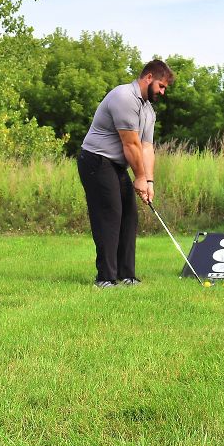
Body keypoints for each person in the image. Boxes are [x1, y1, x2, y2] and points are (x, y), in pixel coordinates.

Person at [77, 59, 175, 288]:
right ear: (148, 77)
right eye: (161, 86)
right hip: (96, 160)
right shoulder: (123, 97)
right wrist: (139, 177)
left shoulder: (148, 110)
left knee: (129, 215)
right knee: (109, 215)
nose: (162, 92)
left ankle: (127, 275)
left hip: (116, 165)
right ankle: (105, 278)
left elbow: (147, 148)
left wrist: (148, 180)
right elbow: (130, 144)